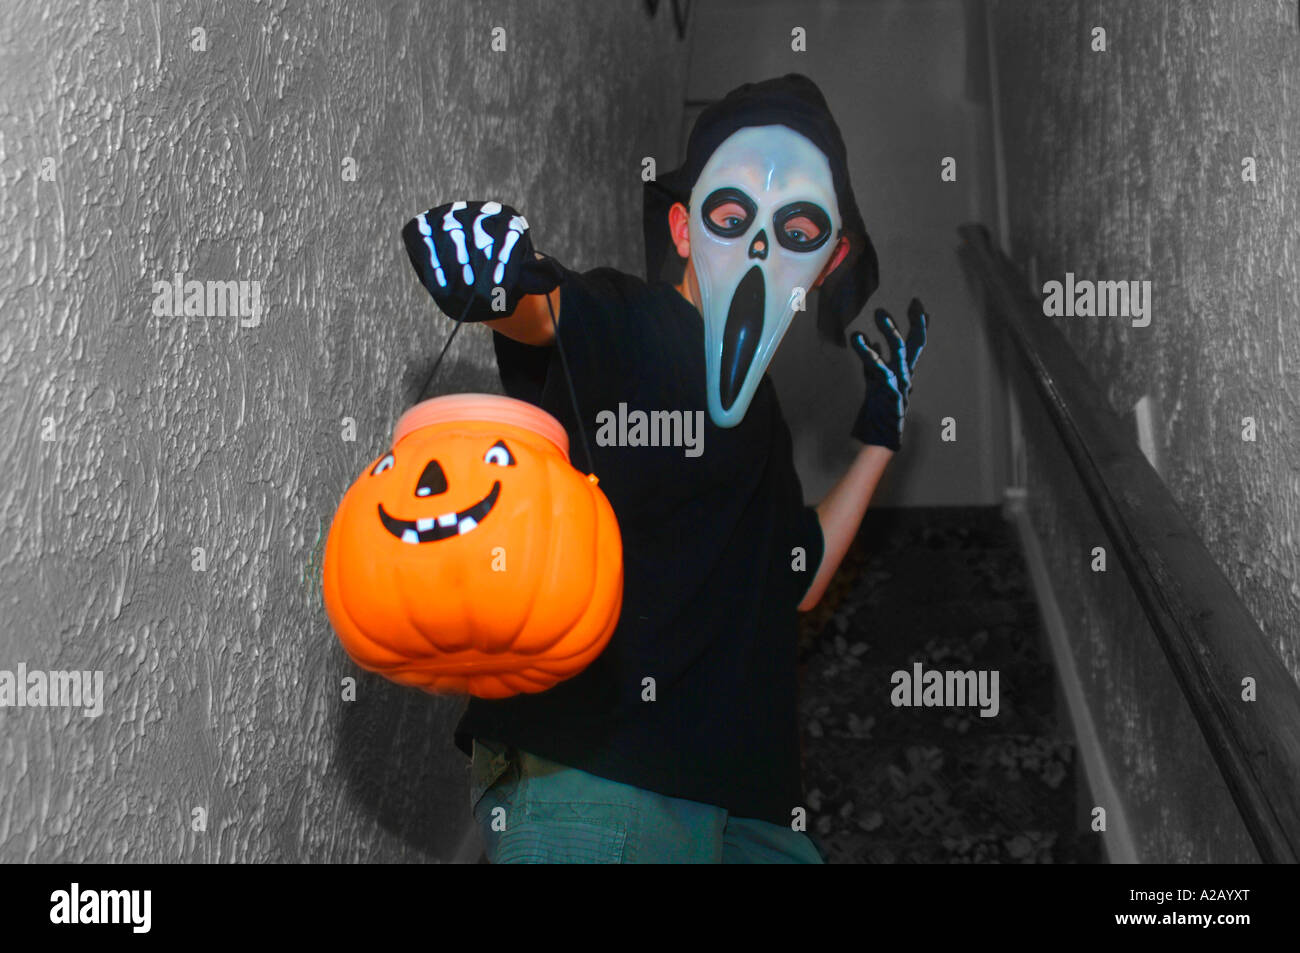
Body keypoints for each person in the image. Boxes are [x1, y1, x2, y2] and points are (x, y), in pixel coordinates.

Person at [401, 74, 929, 863]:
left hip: (746, 804)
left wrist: (879, 439)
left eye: (798, 226)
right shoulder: (643, 324)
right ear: (682, 229)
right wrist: (504, 277)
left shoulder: (762, 418)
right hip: (604, 773)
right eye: (730, 214)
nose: (758, 245)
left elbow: (802, 574)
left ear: (828, 261)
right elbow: (554, 308)